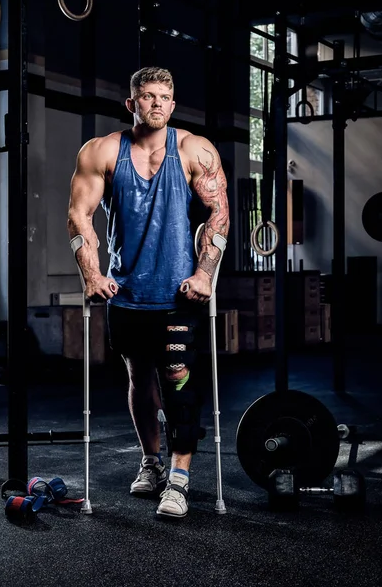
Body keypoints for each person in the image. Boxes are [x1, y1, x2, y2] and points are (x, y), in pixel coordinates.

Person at [67, 66, 230, 519]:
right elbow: (80, 216)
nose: (155, 103)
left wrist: (204, 274)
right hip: (128, 294)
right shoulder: (101, 152)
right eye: (147, 96)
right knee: (140, 381)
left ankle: (179, 478)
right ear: (131, 103)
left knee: (177, 378)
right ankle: (152, 462)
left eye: (163, 96)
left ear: (173, 105)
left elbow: (218, 215)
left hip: (179, 295)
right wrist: (92, 275)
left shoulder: (194, 150)